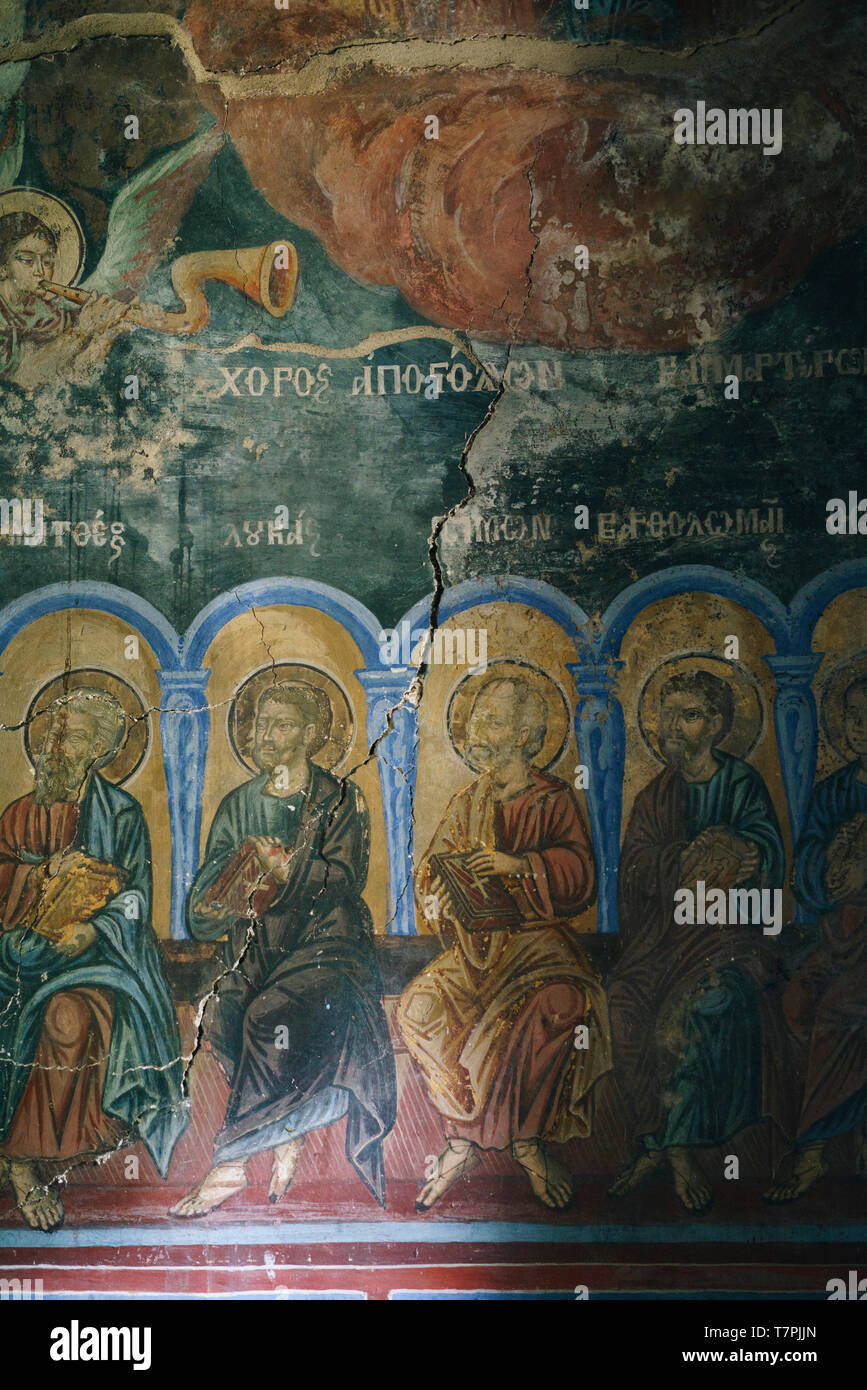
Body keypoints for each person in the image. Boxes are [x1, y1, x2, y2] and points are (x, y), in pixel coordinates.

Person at [171, 682, 396, 1216]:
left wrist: (286, 867)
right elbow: (207, 891)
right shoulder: (238, 804)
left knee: (267, 1015)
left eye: (283, 724)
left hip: (327, 942)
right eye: (260, 725)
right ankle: (283, 1127)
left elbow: (344, 877)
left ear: (313, 734)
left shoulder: (339, 797)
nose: (267, 736)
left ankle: (229, 1165)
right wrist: (226, 889)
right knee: (224, 1012)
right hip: (257, 945)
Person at [397, 675, 609, 1212]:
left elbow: (581, 877)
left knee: (560, 1001)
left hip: (538, 945)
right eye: (475, 718)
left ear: (525, 734)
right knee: (416, 1007)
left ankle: (527, 1142)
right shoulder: (470, 800)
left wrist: (519, 866)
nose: (477, 728)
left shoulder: (554, 798)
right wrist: (438, 896)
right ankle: (461, 1134)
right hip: (476, 950)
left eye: (492, 718)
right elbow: (432, 870)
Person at [0, 688, 186, 1231]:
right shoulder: (17, 814)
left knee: (66, 1017)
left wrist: (91, 928)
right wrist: (38, 877)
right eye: (53, 734)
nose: (57, 746)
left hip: (93, 961)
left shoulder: (121, 814)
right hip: (16, 953)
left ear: (99, 750)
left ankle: (24, 1161)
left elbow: (135, 900)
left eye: (74, 736)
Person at [607, 669, 789, 1213]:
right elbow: (634, 869)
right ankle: (652, 1140)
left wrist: (745, 851)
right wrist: (679, 862)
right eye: (666, 716)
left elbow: (770, 856)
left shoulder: (741, 784)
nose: (671, 728)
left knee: (703, 1003)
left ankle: (679, 1150)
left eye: (687, 716)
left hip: (730, 939)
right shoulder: (655, 794)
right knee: (623, 1001)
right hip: (662, 942)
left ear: (715, 725)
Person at [765, 675, 867, 1201]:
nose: (860, 728)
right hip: (840, 936)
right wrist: (835, 867)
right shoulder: (834, 792)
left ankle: (812, 1151)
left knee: (841, 1011)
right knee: (796, 1001)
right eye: (852, 717)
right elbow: (806, 870)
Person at [0, 210, 130, 386]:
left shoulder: (43, 310)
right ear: (3, 267)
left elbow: (76, 372)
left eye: (47, 262)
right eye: (27, 260)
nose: (40, 271)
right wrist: (82, 329)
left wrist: (111, 328)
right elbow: (26, 378)